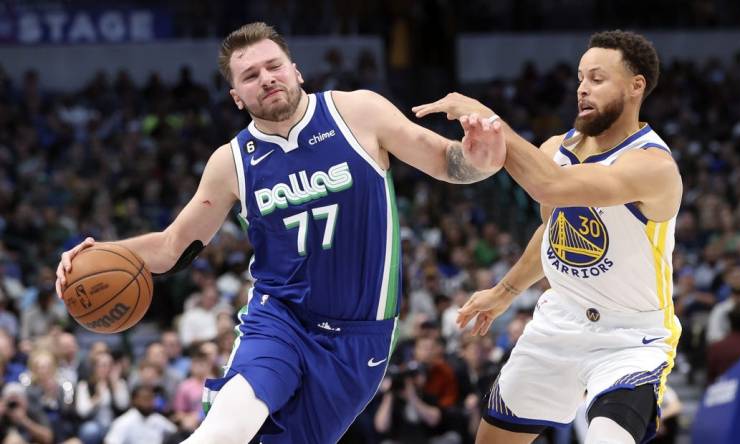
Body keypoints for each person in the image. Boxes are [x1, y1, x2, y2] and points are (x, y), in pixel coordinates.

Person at [55, 21, 505, 444]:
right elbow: (175, 246)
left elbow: (447, 161)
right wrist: (100, 252)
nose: (266, 78)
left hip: (360, 335)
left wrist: (479, 160)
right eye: (250, 75)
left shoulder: (356, 112)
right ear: (236, 96)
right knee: (224, 432)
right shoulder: (231, 162)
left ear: (296, 70)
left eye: (273, 66)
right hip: (280, 319)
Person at [415, 30, 683, 444]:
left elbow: (551, 187)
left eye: (597, 78)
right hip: (558, 323)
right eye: (580, 78)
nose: (582, 89)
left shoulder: (652, 165)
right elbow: (552, 227)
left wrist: (490, 119)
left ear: (636, 86)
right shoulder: (557, 147)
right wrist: (504, 291)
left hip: (630, 339)